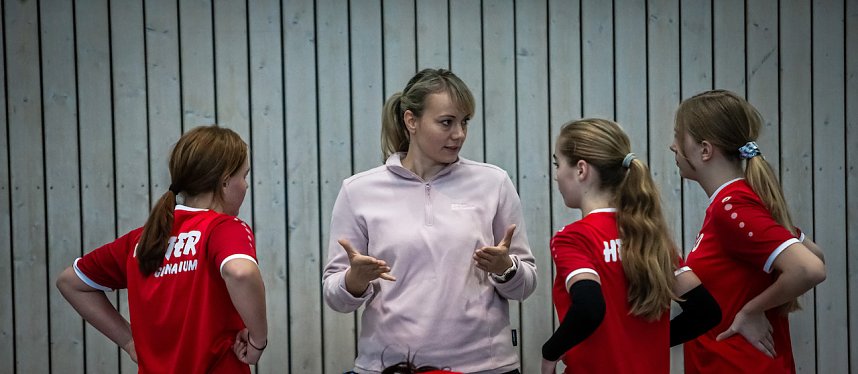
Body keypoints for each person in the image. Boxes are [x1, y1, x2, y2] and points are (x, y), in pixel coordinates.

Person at [323, 68, 537, 374]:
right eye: (446, 122)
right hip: (389, 366)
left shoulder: (494, 182)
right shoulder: (358, 191)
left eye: (464, 122)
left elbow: (525, 285)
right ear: (411, 121)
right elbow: (336, 297)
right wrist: (354, 280)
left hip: (486, 366)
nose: (459, 134)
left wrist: (507, 269)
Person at [56, 125, 267, 373]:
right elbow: (241, 272)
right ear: (224, 181)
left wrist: (129, 341)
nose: (245, 185)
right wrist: (257, 341)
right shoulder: (223, 228)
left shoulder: (141, 240)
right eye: (244, 176)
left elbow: (70, 281)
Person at [541, 118, 721, 374]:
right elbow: (706, 312)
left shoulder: (574, 238)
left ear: (581, 170)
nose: (557, 175)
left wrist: (549, 354)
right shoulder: (652, 237)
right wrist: (649, 344)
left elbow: (590, 307)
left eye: (558, 164)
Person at [671, 89, 826, 373]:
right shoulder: (736, 202)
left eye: (678, 137)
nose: (673, 147)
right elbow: (812, 252)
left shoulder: (731, 208)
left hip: (739, 364)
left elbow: (810, 267)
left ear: (705, 150)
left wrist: (751, 310)